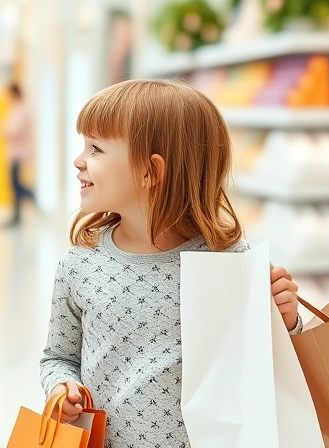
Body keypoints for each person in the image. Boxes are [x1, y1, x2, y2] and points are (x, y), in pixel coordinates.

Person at [39, 79, 302, 447]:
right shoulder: (82, 263)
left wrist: (285, 322)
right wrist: (62, 387)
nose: (78, 160)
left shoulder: (228, 262)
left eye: (96, 149)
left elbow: (264, 369)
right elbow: (58, 356)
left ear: (151, 171)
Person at [3, 83, 35, 226]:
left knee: (16, 184)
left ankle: (34, 196)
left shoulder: (21, 109)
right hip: (15, 152)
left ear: (14, 93)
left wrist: (4, 131)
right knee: (15, 184)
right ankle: (16, 216)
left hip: (18, 153)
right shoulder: (16, 108)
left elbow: (15, 130)